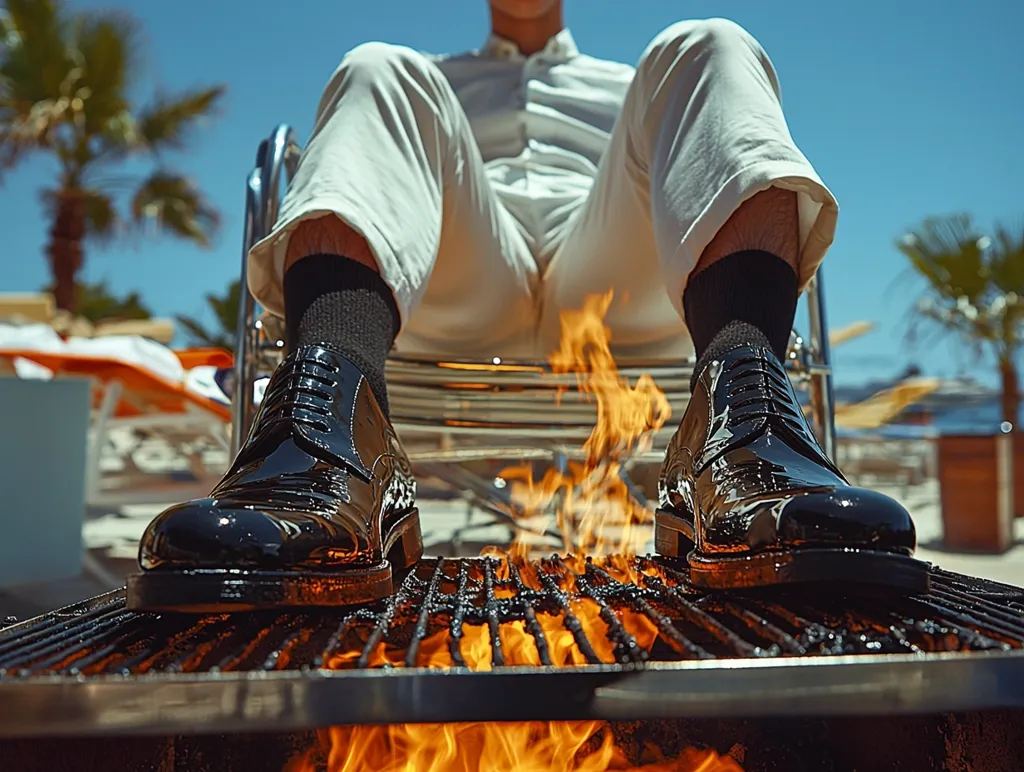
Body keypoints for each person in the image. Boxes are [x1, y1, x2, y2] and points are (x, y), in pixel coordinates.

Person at [126, 0, 926, 611]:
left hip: (608, 291)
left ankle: (748, 441)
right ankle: (319, 457)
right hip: (464, 290)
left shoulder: (629, 86)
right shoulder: (433, 83)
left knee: (708, 44)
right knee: (378, 68)